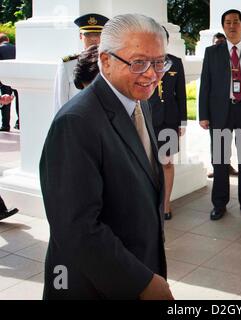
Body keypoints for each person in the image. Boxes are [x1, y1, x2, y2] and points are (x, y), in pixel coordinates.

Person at [40, 13, 174, 300]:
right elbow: (77, 227)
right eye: (139, 62)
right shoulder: (76, 122)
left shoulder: (138, 101)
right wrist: (141, 282)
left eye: (160, 62)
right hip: (95, 285)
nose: (152, 74)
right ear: (105, 61)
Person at [199, 9, 241, 220]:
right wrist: (204, 115)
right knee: (220, 159)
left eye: (235, 22)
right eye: (227, 22)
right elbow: (205, 86)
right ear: (223, 26)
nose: (231, 25)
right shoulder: (212, 53)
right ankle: (219, 204)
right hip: (221, 112)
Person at [148, 27, 186, 221]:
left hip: (169, 121)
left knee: (167, 162)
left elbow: (181, 95)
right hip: (146, 119)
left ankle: (166, 204)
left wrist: (182, 123)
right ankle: (147, 203)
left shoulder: (176, 63)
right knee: (147, 164)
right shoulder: (143, 62)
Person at [53, 13, 109, 113]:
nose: (93, 38)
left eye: (97, 34)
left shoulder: (110, 61)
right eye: (88, 34)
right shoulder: (67, 64)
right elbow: (60, 101)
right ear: (80, 36)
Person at [207, 32, 238, 178]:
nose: (219, 45)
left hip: (232, 109)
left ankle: (227, 165)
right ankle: (217, 167)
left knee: (228, 139)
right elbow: (205, 90)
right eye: (217, 43)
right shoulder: (210, 60)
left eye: (222, 43)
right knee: (216, 141)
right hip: (215, 111)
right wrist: (204, 115)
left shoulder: (232, 61)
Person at [0, 34, 19, 131]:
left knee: (5, 101)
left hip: (4, 79)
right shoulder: (17, 48)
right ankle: (20, 123)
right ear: (7, 40)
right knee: (19, 101)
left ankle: (5, 125)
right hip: (18, 77)